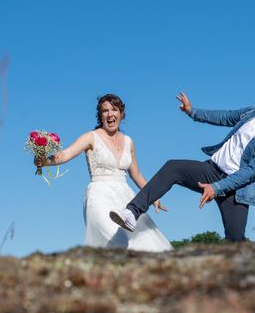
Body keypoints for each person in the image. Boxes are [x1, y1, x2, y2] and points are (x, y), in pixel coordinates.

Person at [110, 91, 255, 242]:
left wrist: (217, 188)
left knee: (235, 241)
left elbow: (250, 173)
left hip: (236, 190)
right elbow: (226, 117)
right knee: (173, 167)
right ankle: (132, 213)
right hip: (211, 171)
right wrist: (192, 112)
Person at [36, 93, 172, 252]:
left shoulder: (129, 142)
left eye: (114, 110)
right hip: (99, 197)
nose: (110, 114)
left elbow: (137, 175)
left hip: (126, 198)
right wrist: (44, 161)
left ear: (121, 113)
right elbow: (66, 154)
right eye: (105, 111)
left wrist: (153, 194)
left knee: (145, 242)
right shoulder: (91, 137)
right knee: (117, 243)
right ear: (100, 115)